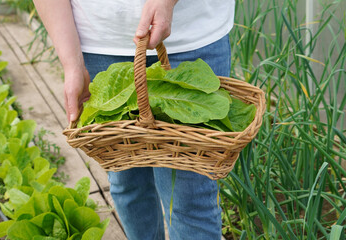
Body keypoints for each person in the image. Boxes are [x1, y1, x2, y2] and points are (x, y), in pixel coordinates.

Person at [33, 0, 235, 239]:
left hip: (193, 34)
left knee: (190, 197)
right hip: (100, 42)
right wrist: (72, 64)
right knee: (127, 184)